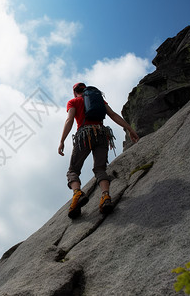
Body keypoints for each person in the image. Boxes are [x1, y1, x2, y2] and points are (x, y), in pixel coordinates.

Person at [58, 82, 139, 218]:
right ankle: (106, 197)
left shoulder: (73, 101)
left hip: (84, 135)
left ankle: (77, 193)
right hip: (102, 134)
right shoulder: (99, 100)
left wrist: (62, 141)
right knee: (100, 169)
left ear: (74, 92)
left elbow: (70, 120)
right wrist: (129, 128)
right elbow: (113, 115)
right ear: (86, 90)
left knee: (73, 170)